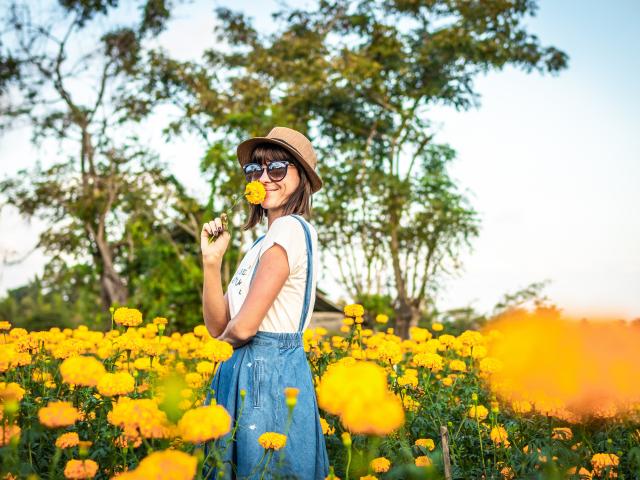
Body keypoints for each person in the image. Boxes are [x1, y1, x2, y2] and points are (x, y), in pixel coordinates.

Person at [199, 126, 330, 479]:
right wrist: (212, 262)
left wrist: (216, 351)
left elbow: (241, 328)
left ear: (302, 178)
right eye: (255, 170)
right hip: (245, 369)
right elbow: (218, 324)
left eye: (278, 168)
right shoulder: (260, 244)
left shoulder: (290, 228)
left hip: (267, 373)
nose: (264, 178)